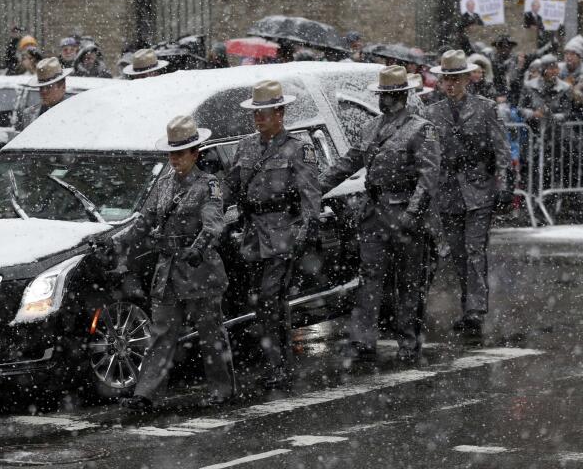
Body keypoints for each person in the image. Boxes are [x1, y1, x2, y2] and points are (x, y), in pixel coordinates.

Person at [95, 115, 235, 411]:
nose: (174, 159)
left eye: (180, 153)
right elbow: (142, 223)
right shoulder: (164, 185)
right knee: (160, 335)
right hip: (168, 272)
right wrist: (116, 242)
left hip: (199, 271)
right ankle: (147, 394)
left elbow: (213, 226)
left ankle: (222, 390)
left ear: (195, 152)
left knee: (211, 335)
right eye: (171, 153)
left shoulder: (208, 185)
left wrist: (197, 249)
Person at [320, 66, 440, 362]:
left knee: (409, 281)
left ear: (400, 95)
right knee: (370, 276)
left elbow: (428, 180)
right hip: (374, 213)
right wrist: (314, 188)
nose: (383, 101)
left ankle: (409, 342)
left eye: (387, 95)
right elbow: (348, 163)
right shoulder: (371, 129)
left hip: (403, 212)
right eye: (381, 95)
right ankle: (363, 340)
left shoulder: (421, 129)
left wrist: (412, 214)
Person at [221, 80, 321, 388]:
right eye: (256, 113)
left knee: (270, 297)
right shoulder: (246, 146)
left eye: (265, 112)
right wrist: (212, 208)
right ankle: (278, 362)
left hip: (283, 232)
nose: (259, 118)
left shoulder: (297, 147)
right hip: (254, 235)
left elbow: (310, 194)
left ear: (280, 113)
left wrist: (304, 230)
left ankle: (279, 364)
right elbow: (231, 186)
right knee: (267, 301)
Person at [425, 50, 512, 341]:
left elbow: (501, 150)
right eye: (445, 79)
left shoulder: (485, 108)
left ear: (466, 79)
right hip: (448, 191)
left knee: (475, 251)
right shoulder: (432, 113)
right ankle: (467, 306)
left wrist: (502, 186)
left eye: (455, 78)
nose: (450, 84)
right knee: (459, 254)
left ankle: (475, 311)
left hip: (478, 189)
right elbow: (429, 155)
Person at [18, 57, 73, 129]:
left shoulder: (73, 113)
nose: (43, 91)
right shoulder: (29, 114)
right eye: (41, 87)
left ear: (63, 86)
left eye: (49, 87)